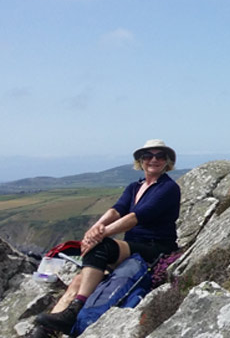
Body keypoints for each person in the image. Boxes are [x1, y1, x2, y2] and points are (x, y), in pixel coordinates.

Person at [32, 139, 181, 336]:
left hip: (156, 247)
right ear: (141, 160)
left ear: (167, 161)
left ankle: (75, 310)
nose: (154, 160)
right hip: (135, 244)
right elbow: (117, 210)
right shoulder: (134, 187)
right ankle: (48, 328)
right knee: (79, 279)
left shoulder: (168, 188)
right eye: (148, 156)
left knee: (102, 247)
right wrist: (94, 229)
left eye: (160, 156)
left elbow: (136, 217)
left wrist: (99, 235)